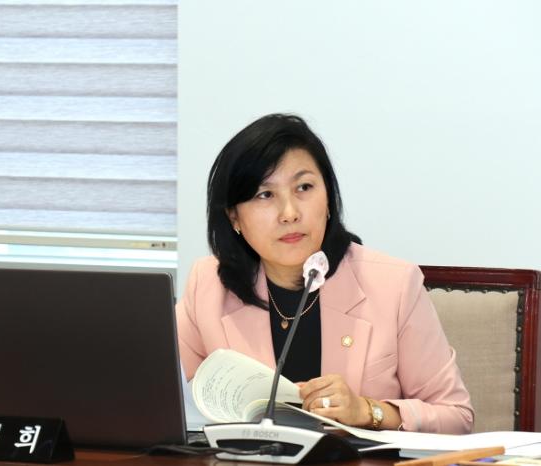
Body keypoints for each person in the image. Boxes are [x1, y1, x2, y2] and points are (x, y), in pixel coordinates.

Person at [176, 113, 473, 434]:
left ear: (329, 198)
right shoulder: (207, 286)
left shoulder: (395, 285)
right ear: (234, 217)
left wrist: (368, 410)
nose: (290, 213)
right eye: (265, 194)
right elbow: (171, 405)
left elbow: (456, 416)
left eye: (304, 187)